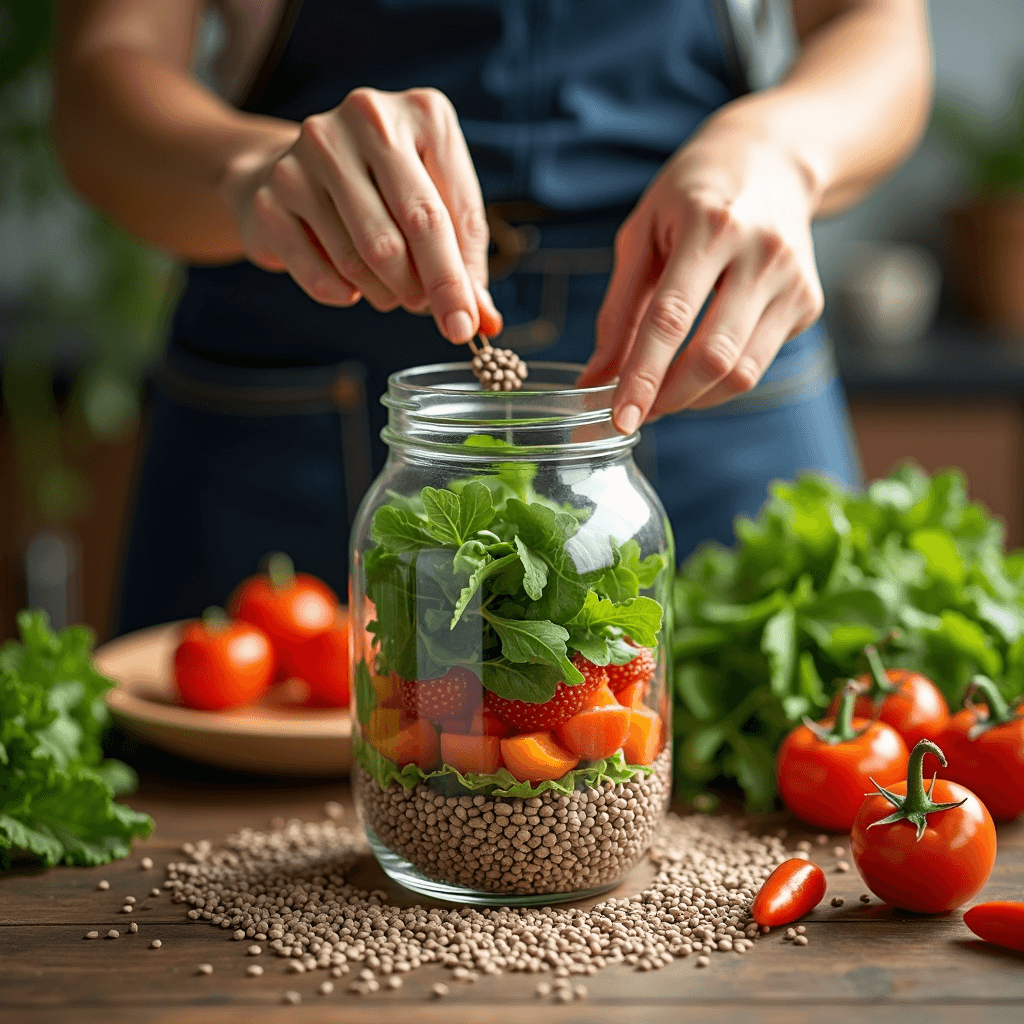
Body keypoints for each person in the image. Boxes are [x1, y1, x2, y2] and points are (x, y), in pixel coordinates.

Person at [52, 0, 932, 634]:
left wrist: (781, 152)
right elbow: (106, 66)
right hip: (298, 378)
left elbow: (879, 23)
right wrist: (250, 172)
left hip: (704, 343)